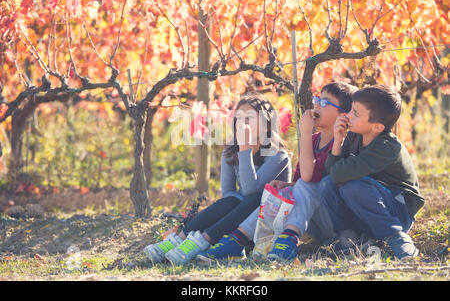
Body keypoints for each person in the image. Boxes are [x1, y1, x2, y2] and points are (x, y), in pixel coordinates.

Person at [196, 82, 358, 262]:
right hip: (313, 221)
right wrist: (285, 186)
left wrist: (304, 132)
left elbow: (308, 179)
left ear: (343, 116)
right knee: (279, 193)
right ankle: (238, 238)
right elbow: (299, 182)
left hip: (335, 223)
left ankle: (287, 237)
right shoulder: (313, 140)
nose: (317, 105)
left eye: (325, 102)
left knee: (305, 184)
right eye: (317, 99)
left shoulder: (344, 143)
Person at [143, 93, 292, 265]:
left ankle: (198, 243)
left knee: (254, 197)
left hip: (259, 228)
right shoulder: (231, 151)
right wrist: (241, 150)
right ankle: (178, 241)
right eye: (239, 118)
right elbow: (228, 192)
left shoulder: (278, 156)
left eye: (249, 118)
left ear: (267, 125)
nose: (243, 124)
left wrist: (245, 151)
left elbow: (252, 190)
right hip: (235, 220)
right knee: (231, 200)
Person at [315, 85, 424, 260]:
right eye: (351, 109)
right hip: (370, 205)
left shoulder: (386, 147)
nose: (348, 115)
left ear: (377, 127)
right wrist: (338, 141)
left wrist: (338, 173)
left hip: (397, 210)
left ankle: (396, 238)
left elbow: (339, 175)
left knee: (352, 186)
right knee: (326, 185)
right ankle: (350, 239)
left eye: (355, 113)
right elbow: (331, 176)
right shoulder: (354, 137)